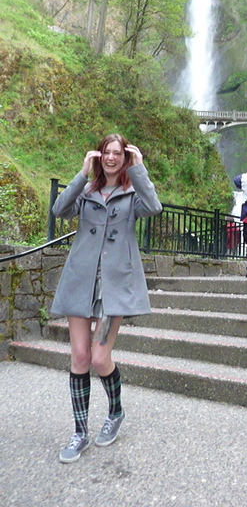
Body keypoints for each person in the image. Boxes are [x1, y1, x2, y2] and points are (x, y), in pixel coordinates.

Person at [51, 133, 162, 463]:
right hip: (81, 283)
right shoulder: (86, 192)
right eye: (106, 152)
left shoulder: (133, 193)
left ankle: (115, 413)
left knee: (100, 359)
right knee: (80, 358)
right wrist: (82, 173)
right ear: (99, 156)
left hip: (113, 289)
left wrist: (140, 170)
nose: (112, 157)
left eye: (118, 153)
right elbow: (59, 210)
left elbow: (154, 207)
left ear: (125, 157)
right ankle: (80, 432)